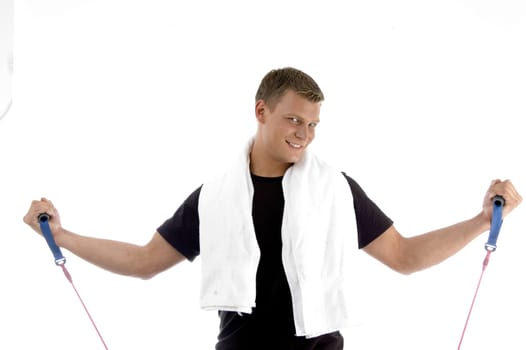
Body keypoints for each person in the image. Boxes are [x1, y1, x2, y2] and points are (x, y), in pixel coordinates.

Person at [24, 67, 522, 350]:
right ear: (260, 111)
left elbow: (405, 256)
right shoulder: (215, 195)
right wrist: (62, 237)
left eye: (313, 124)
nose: (303, 134)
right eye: (292, 119)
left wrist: (482, 221)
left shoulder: (335, 189)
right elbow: (143, 261)